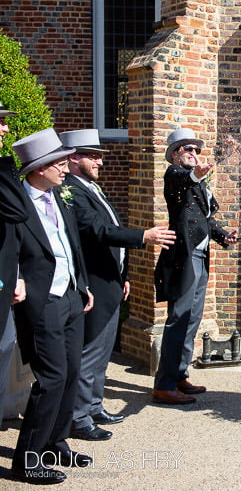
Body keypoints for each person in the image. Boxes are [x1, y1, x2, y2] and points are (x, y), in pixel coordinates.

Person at [59, 129, 176, 439]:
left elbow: (110, 231)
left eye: (99, 156)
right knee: (90, 351)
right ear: (73, 158)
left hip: (110, 281)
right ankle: (78, 418)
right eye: (93, 156)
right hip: (93, 284)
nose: (100, 161)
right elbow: (96, 231)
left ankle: (94, 405)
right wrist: (144, 236)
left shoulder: (91, 187)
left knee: (103, 350)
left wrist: (123, 277)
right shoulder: (69, 191)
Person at [10, 128, 94, 484]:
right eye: (59, 163)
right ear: (38, 167)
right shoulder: (15, 202)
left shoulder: (58, 195)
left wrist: (83, 285)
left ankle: (55, 443)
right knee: (51, 377)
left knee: (72, 372)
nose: (65, 168)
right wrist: (13, 277)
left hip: (72, 296)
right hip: (42, 300)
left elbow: (71, 243)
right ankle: (27, 460)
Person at [153, 128, 238, 405]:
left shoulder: (199, 184)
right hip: (183, 258)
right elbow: (183, 180)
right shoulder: (174, 175)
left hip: (200, 257)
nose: (194, 154)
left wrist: (223, 235)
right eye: (188, 149)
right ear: (176, 154)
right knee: (179, 319)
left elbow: (205, 220)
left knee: (192, 320)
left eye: (196, 150)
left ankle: (179, 375)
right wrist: (196, 175)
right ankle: (164, 385)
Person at [0, 103, 28, 417]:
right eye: (0, 122)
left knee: (5, 347)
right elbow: (18, 211)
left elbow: (12, 227)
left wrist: (16, 274)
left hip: (5, 281)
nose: (5, 129)